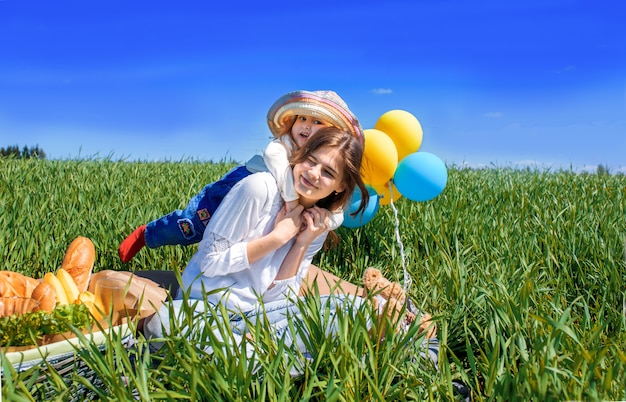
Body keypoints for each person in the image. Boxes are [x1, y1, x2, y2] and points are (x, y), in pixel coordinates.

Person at [143, 127, 438, 369]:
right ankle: (297, 361)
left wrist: (301, 242)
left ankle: (267, 359)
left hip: (261, 321)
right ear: (299, 156)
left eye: (327, 172)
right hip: (206, 310)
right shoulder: (259, 188)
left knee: (354, 308)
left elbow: (277, 297)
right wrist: (276, 237)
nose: (312, 174)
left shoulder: (317, 225)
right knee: (162, 325)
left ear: (338, 186)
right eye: (311, 161)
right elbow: (210, 262)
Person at [118, 90, 364, 263]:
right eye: (303, 118)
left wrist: (327, 222)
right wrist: (291, 201)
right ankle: (147, 234)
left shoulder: (325, 165)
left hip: (269, 206)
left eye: (318, 121)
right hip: (239, 185)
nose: (306, 125)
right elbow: (274, 158)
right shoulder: (285, 145)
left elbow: (338, 211)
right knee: (192, 226)